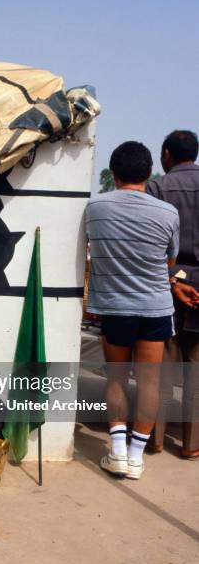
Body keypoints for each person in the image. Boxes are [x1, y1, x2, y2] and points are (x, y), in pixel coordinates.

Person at [85, 141, 179, 479]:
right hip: (156, 308)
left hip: (115, 308)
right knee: (150, 382)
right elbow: (169, 262)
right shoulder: (168, 213)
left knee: (116, 378)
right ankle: (137, 458)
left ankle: (118, 452)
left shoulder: (95, 207)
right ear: (148, 172)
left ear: (113, 173)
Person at [146, 130, 199, 458]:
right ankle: (192, 445)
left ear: (166, 154)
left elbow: (151, 241)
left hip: (167, 280)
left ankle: (156, 437)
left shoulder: (158, 187)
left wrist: (169, 277)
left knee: (162, 364)